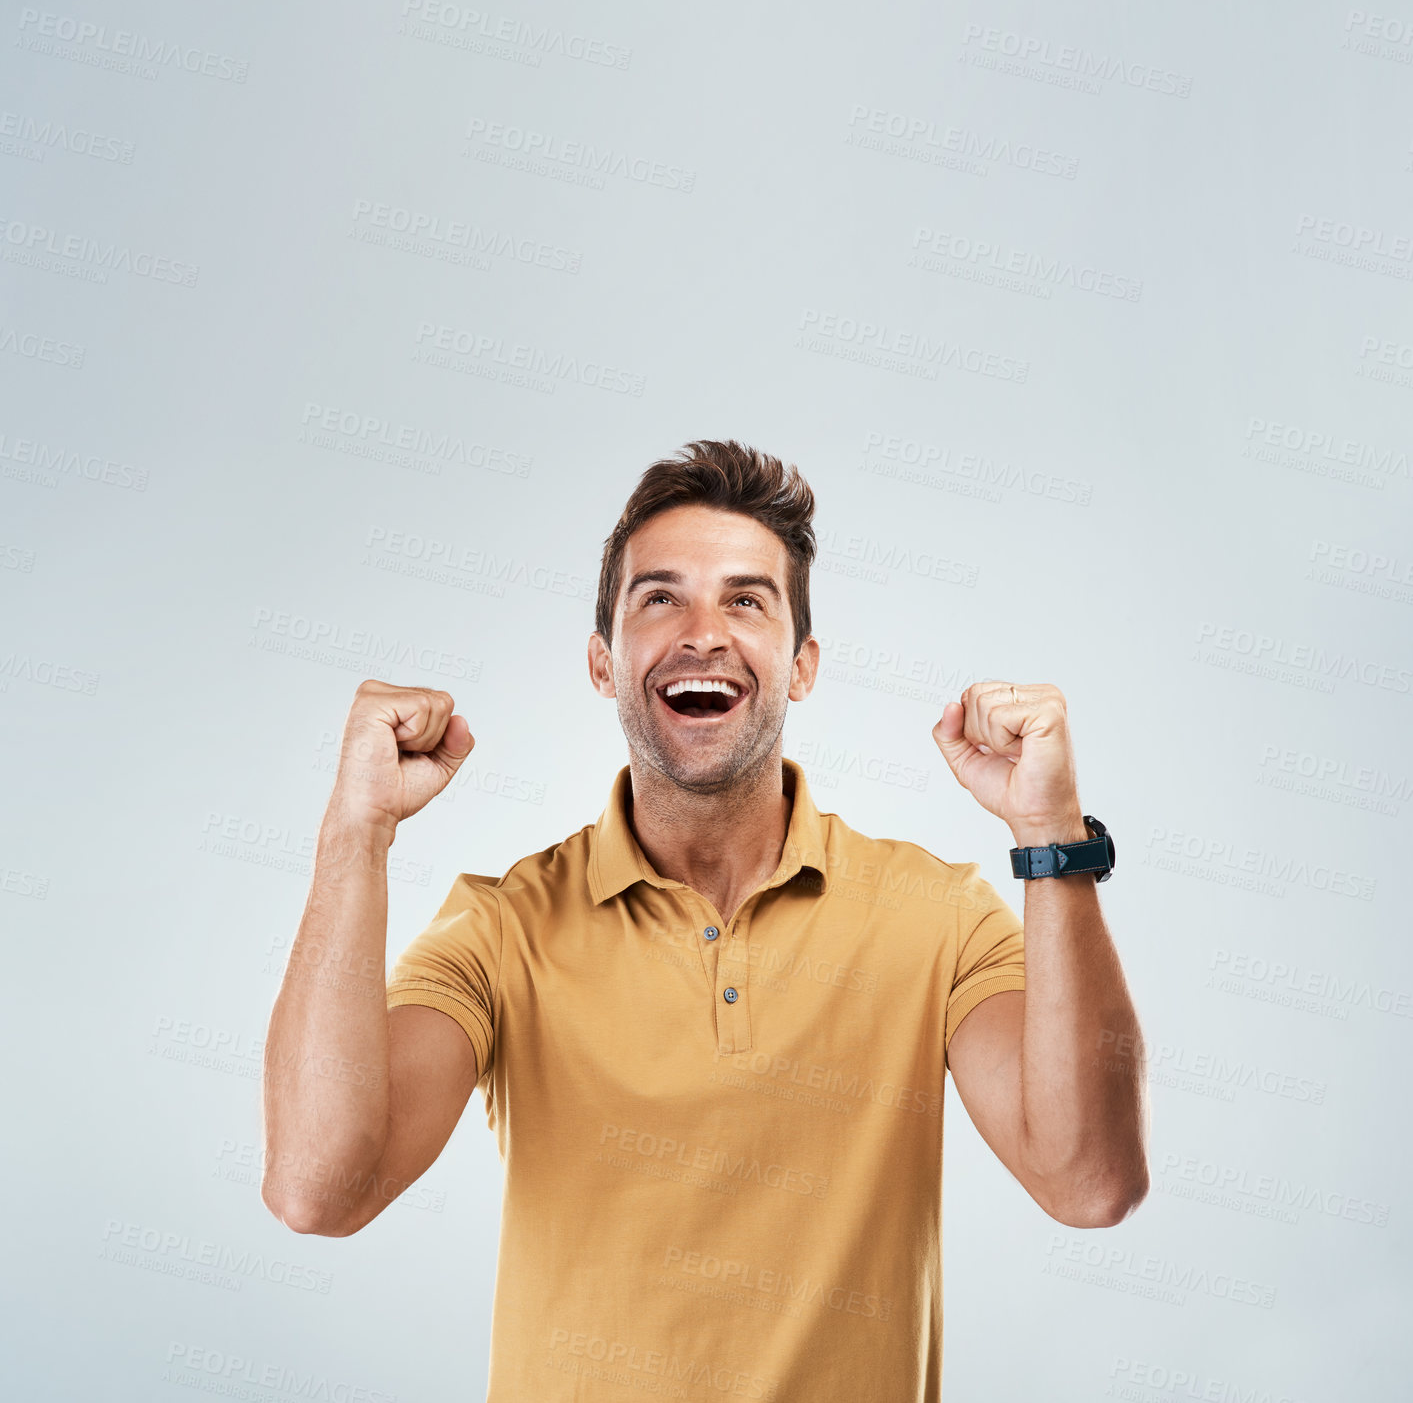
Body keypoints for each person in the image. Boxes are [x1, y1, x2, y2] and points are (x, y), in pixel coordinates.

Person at [261, 439, 1149, 1401]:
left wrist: (1049, 833)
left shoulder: (933, 917)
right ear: (604, 664)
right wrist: (355, 833)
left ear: (800, 665)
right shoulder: (502, 928)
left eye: (745, 599)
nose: (703, 632)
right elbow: (318, 1189)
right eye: (659, 597)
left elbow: (1088, 1182)